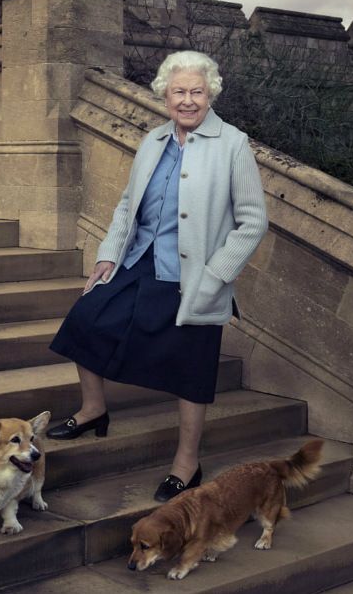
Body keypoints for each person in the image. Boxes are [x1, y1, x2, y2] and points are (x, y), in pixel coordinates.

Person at [47, 50, 268, 502]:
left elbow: (252, 221)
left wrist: (216, 275)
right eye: (178, 92)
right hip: (140, 260)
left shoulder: (233, 144)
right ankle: (93, 410)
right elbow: (129, 205)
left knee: (191, 368)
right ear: (164, 94)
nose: (187, 101)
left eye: (196, 92)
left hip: (194, 276)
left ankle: (187, 464)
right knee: (85, 320)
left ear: (211, 95)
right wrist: (108, 255)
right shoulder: (153, 141)